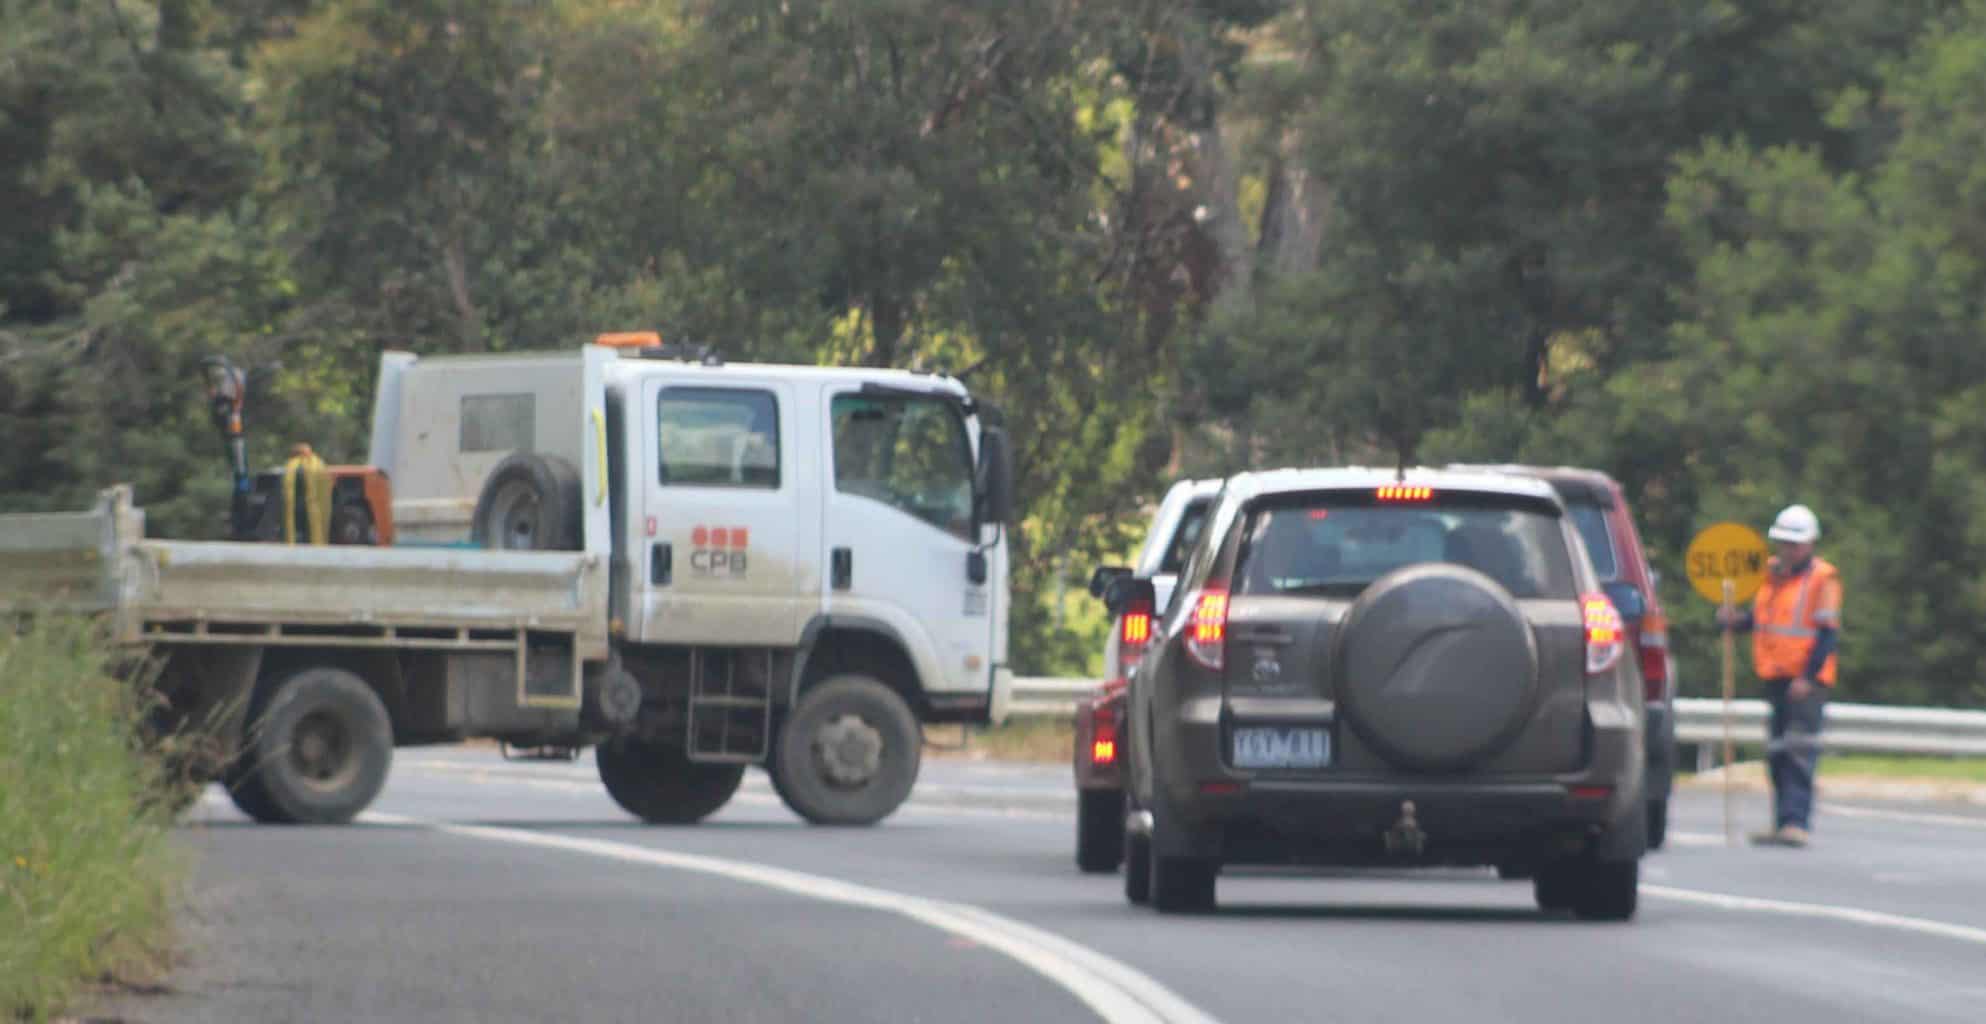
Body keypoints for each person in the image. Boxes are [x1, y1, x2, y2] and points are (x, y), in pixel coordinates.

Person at [1716, 504, 1842, 848]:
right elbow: (1761, 619)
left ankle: (1795, 822)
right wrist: (1734, 621)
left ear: (1810, 543)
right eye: (1783, 542)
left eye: (1794, 543)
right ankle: (1782, 821)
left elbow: (1828, 634)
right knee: (1777, 753)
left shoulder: (1823, 578)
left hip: (1806, 681)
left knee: (1799, 751)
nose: (1787, 549)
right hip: (1774, 676)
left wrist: (1808, 676)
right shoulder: (1769, 574)